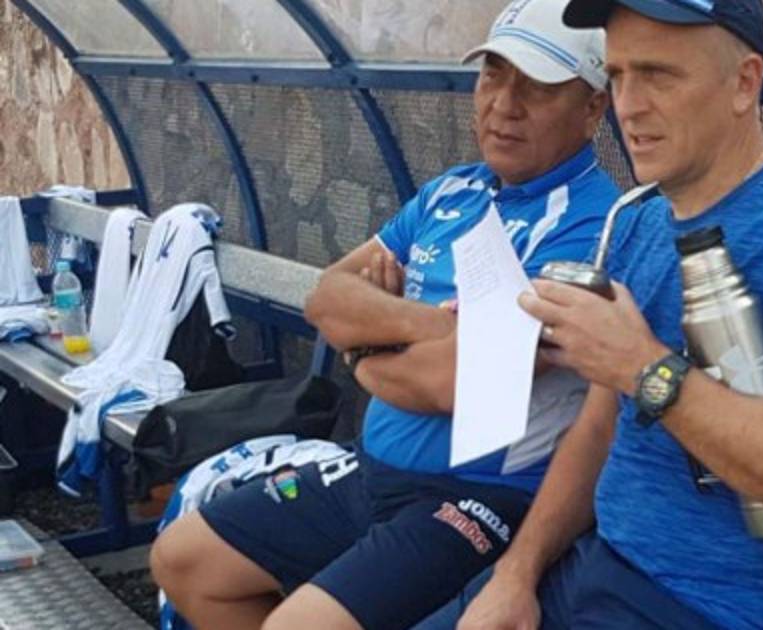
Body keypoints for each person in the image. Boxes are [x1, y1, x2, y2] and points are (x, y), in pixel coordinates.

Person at [149, 1, 620, 628]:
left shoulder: (595, 224)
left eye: (537, 86)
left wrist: (365, 350)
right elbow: (328, 296)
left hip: (475, 496)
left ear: (593, 108)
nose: (504, 104)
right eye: (492, 75)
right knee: (184, 560)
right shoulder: (452, 190)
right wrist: (438, 327)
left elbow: (455, 382)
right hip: (371, 469)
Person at [452, 1, 763, 628]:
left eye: (659, 75)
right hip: (594, 569)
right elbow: (599, 428)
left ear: (744, 83)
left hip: (717, 609)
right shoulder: (638, 219)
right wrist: (516, 574)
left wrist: (643, 367)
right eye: (617, 75)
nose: (628, 106)